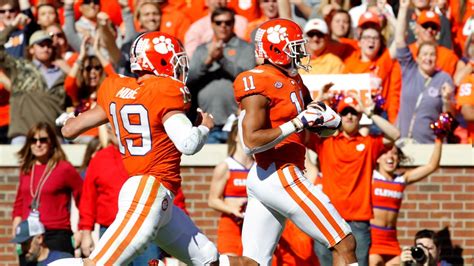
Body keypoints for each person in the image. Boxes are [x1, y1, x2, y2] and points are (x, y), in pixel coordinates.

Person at [55, 31, 240, 266]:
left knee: (209, 259)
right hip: (150, 190)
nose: (179, 69)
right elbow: (188, 143)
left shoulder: (116, 89)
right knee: (99, 263)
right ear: (160, 61)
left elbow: (69, 131)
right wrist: (204, 127)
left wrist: (68, 119)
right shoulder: (166, 91)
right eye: (175, 61)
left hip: (158, 198)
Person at [233, 18, 357, 266]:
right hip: (281, 173)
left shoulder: (293, 78)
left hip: (268, 176)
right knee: (344, 243)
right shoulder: (258, 81)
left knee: (251, 263)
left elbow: (314, 124)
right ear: (276, 49)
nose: (301, 52)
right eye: (295, 47)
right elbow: (251, 141)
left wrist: (328, 120)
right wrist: (298, 123)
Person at [308, 94, 400, 266]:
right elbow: (303, 129)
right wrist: (320, 99)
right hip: (329, 218)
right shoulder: (326, 143)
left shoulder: (369, 143)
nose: (349, 116)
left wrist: (369, 113)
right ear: (339, 117)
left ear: (359, 116)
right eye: (345, 112)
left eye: (353, 113)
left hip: (359, 222)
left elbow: (395, 134)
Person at [12, 122, 83, 259]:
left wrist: (82, 228)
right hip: (30, 235)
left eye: (43, 140)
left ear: (51, 142)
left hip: (57, 233)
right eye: (34, 140)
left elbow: (83, 196)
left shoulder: (64, 168)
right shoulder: (26, 169)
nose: (38, 144)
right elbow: (19, 202)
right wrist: (17, 224)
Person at [369, 138, 443, 265]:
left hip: (391, 239)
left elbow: (432, 166)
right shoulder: (371, 177)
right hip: (373, 238)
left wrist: (439, 139)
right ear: (377, 158)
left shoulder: (401, 179)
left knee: (403, 263)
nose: (390, 157)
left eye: (395, 153)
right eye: (386, 152)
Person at [188, 7, 255, 143]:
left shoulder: (246, 48)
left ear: (233, 23)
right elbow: (189, 79)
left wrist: (221, 59)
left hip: (237, 122)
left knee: (236, 164)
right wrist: (208, 60)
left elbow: (249, 78)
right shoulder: (201, 50)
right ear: (212, 24)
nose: (223, 26)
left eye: (228, 22)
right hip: (208, 123)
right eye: (219, 22)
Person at [395, 0, 455, 144]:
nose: (428, 58)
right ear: (418, 57)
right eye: (425, 54)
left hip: (430, 145)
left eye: (432, 55)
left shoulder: (444, 78)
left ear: (437, 57)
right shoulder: (410, 70)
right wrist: (403, 10)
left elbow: (450, 118)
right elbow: (399, 41)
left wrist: (447, 100)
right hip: (404, 143)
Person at [0, 30, 66, 144]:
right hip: (23, 133)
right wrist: (12, 27)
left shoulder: (62, 73)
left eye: (49, 45)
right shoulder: (20, 68)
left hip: (53, 135)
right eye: (41, 45)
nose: (46, 48)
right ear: (31, 49)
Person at [184, 0, 248, 59]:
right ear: (206, 2)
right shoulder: (196, 27)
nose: (218, 2)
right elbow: (191, 55)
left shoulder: (241, 22)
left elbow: (250, 49)